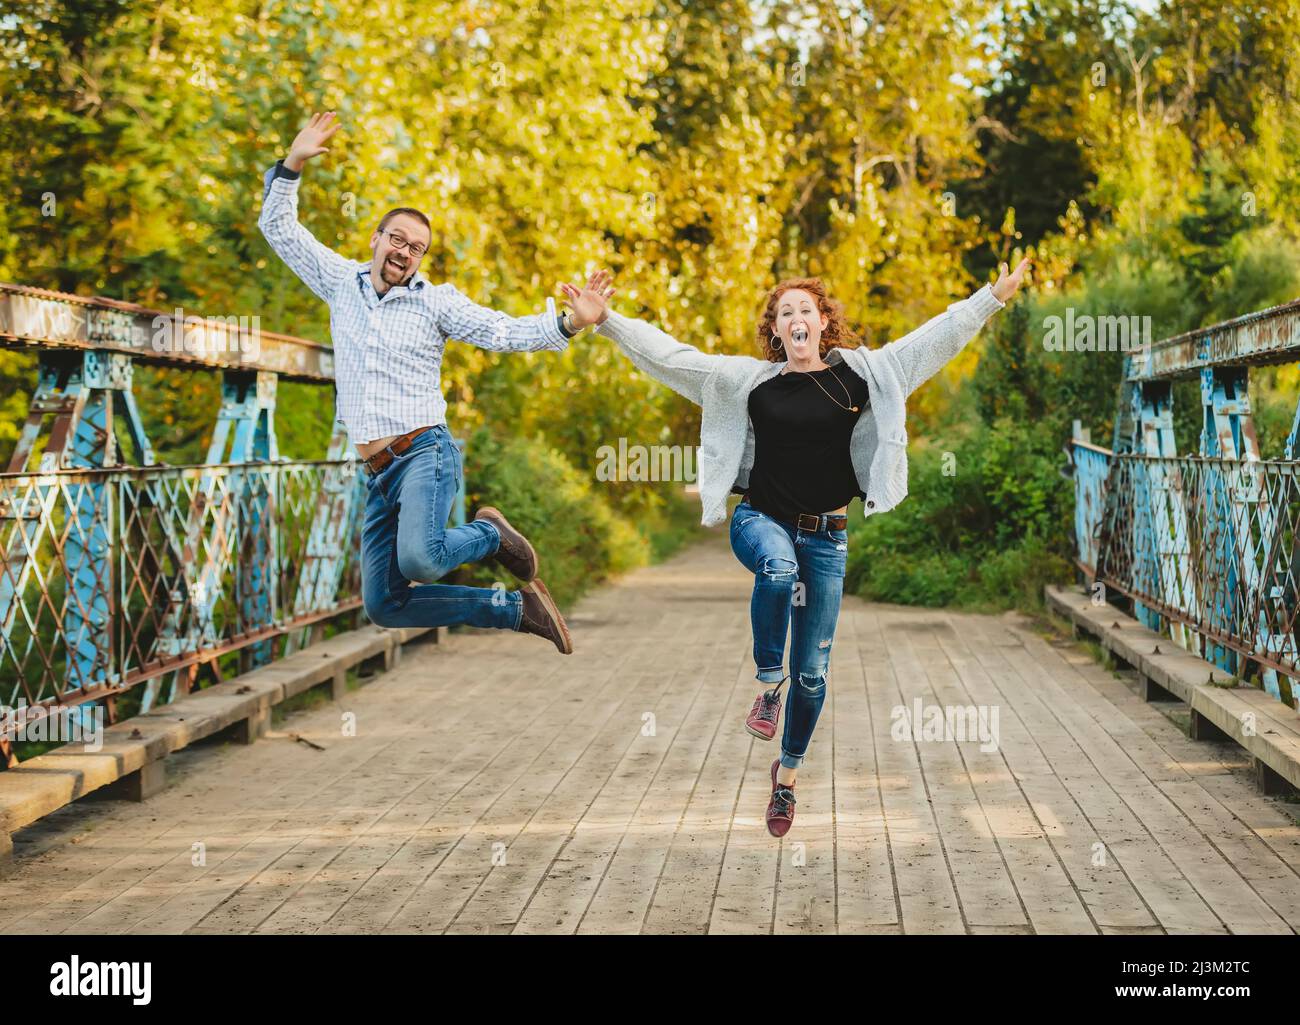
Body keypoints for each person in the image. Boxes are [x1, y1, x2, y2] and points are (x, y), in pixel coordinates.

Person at [570, 260, 1030, 834]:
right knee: (777, 569)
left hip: (828, 537)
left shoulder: (861, 376)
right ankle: (768, 686)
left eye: (805, 310)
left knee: (813, 675)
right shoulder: (749, 382)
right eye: (785, 312)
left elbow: (929, 341)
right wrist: (606, 321)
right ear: (776, 330)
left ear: (823, 322)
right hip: (760, 519)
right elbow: (672, 356)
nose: (796, 319)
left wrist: (990, 299)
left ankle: (786, 777)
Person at [260, 112, 615, 653]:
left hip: (424, 451)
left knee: (421, 559)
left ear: (420, 259)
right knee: (384, 603)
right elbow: (280, 230)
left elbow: (502, 331)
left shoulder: (435, 302)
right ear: (376, 238)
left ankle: (491, 535)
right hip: (376, 471)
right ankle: (512, 607)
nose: (403, 251)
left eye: (416, 247)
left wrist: (570, 322)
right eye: (396, 239)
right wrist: (294, 163)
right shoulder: (339, 282)